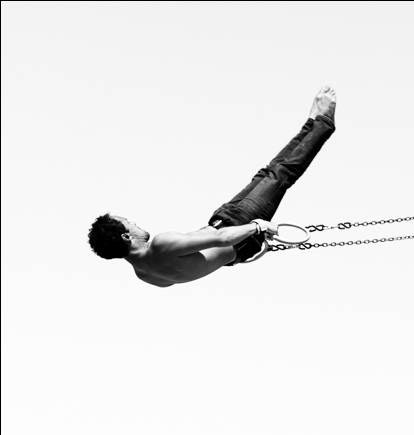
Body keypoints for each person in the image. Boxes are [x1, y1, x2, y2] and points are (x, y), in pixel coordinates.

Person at [87, 86, 337, 287]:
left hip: (237, 242)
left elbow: (203, 262)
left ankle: (311, 123)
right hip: (238, 227)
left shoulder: (146, 275)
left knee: (270, 172)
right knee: (279, 174)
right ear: (126, 235)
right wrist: (257, 226)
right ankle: (324, 121)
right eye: (129, 222)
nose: (135, 222)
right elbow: (218, 239)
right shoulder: (161, 245)